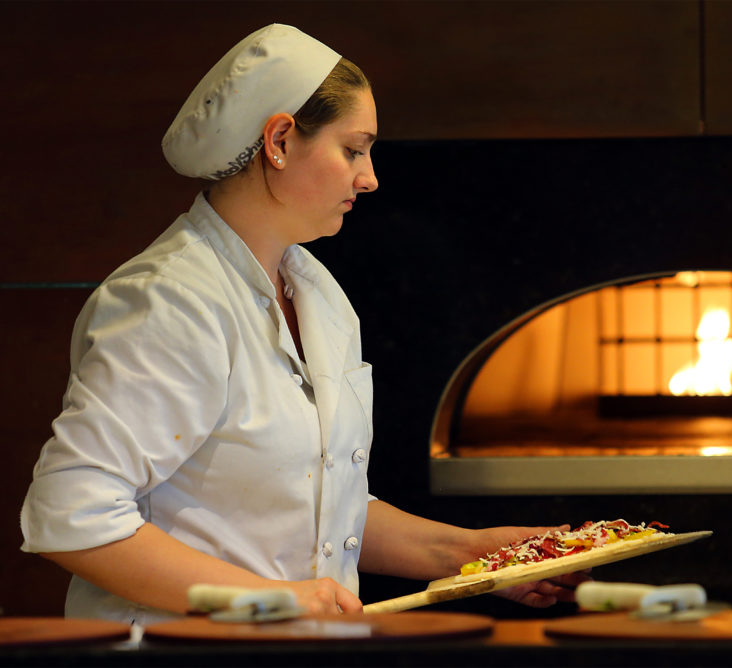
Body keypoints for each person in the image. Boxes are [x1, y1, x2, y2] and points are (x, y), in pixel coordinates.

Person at [19, 24, 585, 626]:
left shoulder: (318, 292)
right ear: (281, 139)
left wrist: (470, 555)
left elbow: (319, 500)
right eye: (354, 148)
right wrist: (269, 600)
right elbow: (71, 518)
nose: (369, 178)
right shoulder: (167, 301)